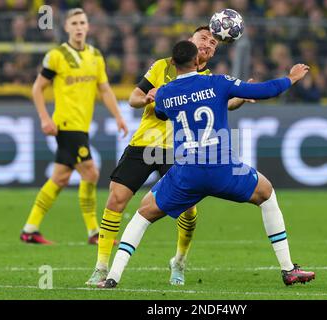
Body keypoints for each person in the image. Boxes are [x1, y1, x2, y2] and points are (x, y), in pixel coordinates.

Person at [99, 40, 315, 289]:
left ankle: (112, 277)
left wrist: (159, 95)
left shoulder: (166, 92)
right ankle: (288, 269)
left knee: (142, 215)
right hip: (222, 169)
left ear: (173, 62)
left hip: (187, 173)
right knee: (266, 194)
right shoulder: (218, 82)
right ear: (197, 62)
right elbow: (266, 91)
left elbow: (160, 112)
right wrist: (291, 77)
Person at [85, 25, 254, 287]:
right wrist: (146, 99)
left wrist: (242, 98)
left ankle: (179, 261)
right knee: (116, 199)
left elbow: (229, 103)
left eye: (213, 43)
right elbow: (133, 97)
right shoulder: (162, 66)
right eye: (203, 39)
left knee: (188, 211)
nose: (208, 44)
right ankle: (101, 267)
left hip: (182, 150)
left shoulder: (210, 79)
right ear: (190, 41)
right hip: (145, 143)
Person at [20, 8, 128, 245]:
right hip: (66, 124)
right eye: (74, 23)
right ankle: (93, 232)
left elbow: (104, 89)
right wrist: (44, 118)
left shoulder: (95, 56)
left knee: (60, 177)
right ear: (67, 27)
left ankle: (30, 229)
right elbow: (38, 88)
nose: (79, 27)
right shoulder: (56, 55)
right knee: (90, 172)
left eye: (82, 22)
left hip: (82, 125)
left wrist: (119, 116)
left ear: (88, 27)